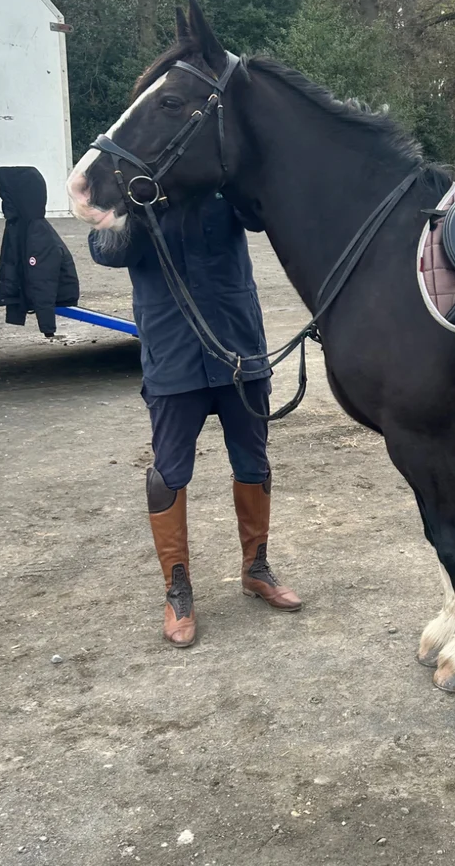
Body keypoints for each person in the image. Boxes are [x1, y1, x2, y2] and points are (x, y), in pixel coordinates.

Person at [89, 190, 301, 647]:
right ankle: (177, 590)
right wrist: (130, 209)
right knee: (168, 475)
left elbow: (262, 210)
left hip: (238, 349)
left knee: (253, 463)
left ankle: (256, 568)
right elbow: (109, 252)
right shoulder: (132, 190)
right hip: (173, 357)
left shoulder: (223, 184)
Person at [0, 167, 80, 336]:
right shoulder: (20, 226)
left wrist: (47, 326)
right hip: (37, 289)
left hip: (58, 294)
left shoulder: (36, 235)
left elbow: (43, 282)